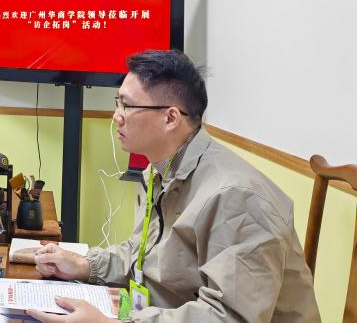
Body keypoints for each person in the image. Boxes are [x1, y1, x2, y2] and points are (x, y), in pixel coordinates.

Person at [30, 49, 320, 323]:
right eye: (118, 102)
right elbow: (141, 254)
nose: (117, 115)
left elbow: (227, 317)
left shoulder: (236, 197)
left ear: (170, 117)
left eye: (127, 105)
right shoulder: (162, 169)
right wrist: (85, 265)